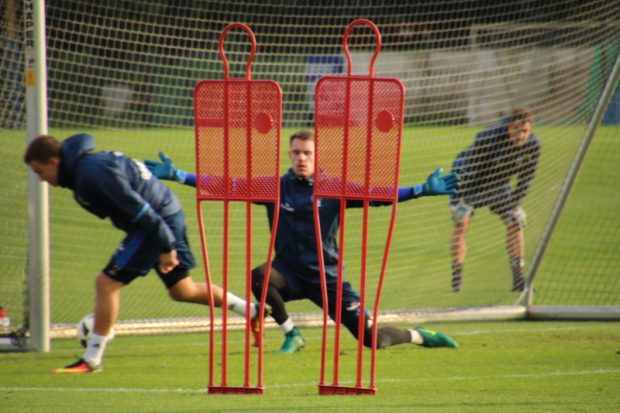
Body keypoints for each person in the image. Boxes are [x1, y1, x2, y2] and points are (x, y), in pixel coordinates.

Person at [146, 130, 461, 354]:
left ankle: (420, 336)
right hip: (289, 275)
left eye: (307, 153)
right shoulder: (274, 187)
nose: (301, 158)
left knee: (373, 341)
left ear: (316, 156)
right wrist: (181, 175)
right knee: (261, 277)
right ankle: (291, 334)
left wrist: (420, 189)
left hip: (327, 278)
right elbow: (230, 185)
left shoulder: (333, 188)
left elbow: (377, 195)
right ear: (289, 155)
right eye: (296, 152)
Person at [24, 134, 262, 374]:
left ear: (54, 161)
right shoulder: (84, 168)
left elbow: (141, 210)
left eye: (39, 171)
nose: (40, 179)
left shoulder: (92, 175)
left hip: (156, 224)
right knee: (183, 290)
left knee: (106, 284)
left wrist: (166, 246)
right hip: (168, 215)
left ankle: (92, 359)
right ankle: (251, 311)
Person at [449, 108, 540, 292]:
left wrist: (515, 204)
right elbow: (471, 166)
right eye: (516, 129)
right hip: (468, 178)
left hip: (498, 183)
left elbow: (525, 179)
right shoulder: (488, 138)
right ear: (508, 127)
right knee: (461, 224)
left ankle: (519, 279)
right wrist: (463, 198)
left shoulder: (533, 146)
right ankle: (457, 278)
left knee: (515, 221)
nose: (520, 135)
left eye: (525, 131)